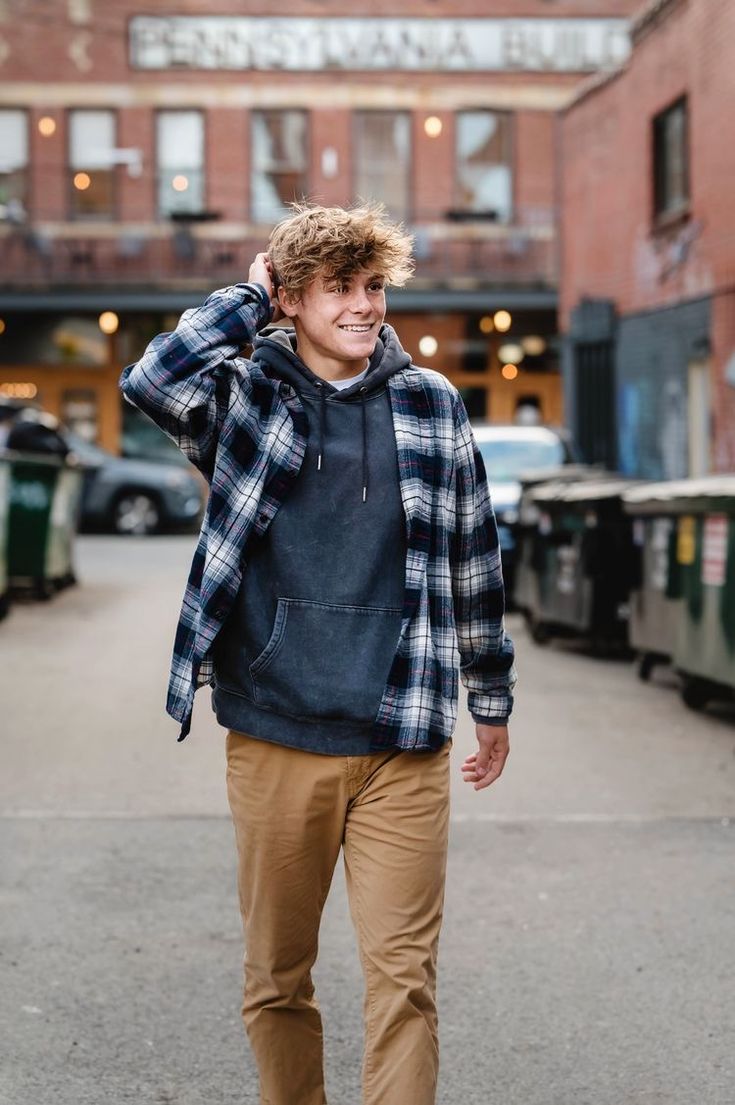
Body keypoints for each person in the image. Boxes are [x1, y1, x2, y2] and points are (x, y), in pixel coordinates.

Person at [119, 202, 516, 1105]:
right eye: (338, 287)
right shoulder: (244, 397)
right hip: (276, 731)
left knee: (404, 984)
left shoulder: (429, 403)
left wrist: (487, 698)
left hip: (399, 741)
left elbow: (472, 558)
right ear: (291, 300)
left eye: (373, 285)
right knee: (276, 979)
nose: (363, 305)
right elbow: (152, 378)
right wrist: (250, 293)